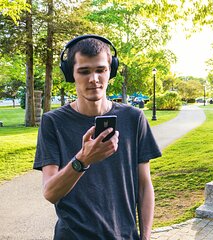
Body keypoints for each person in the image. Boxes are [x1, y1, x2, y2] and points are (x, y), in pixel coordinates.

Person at [33, 35, 161, 240]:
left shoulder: (134, 118)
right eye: (84, 71)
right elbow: (50, 193)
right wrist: (83, 160)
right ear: (70, 74)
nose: (94, 79)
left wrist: (145, 237)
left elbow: (144, 185)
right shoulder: (53, 122)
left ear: (111, 71)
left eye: (101, 70)